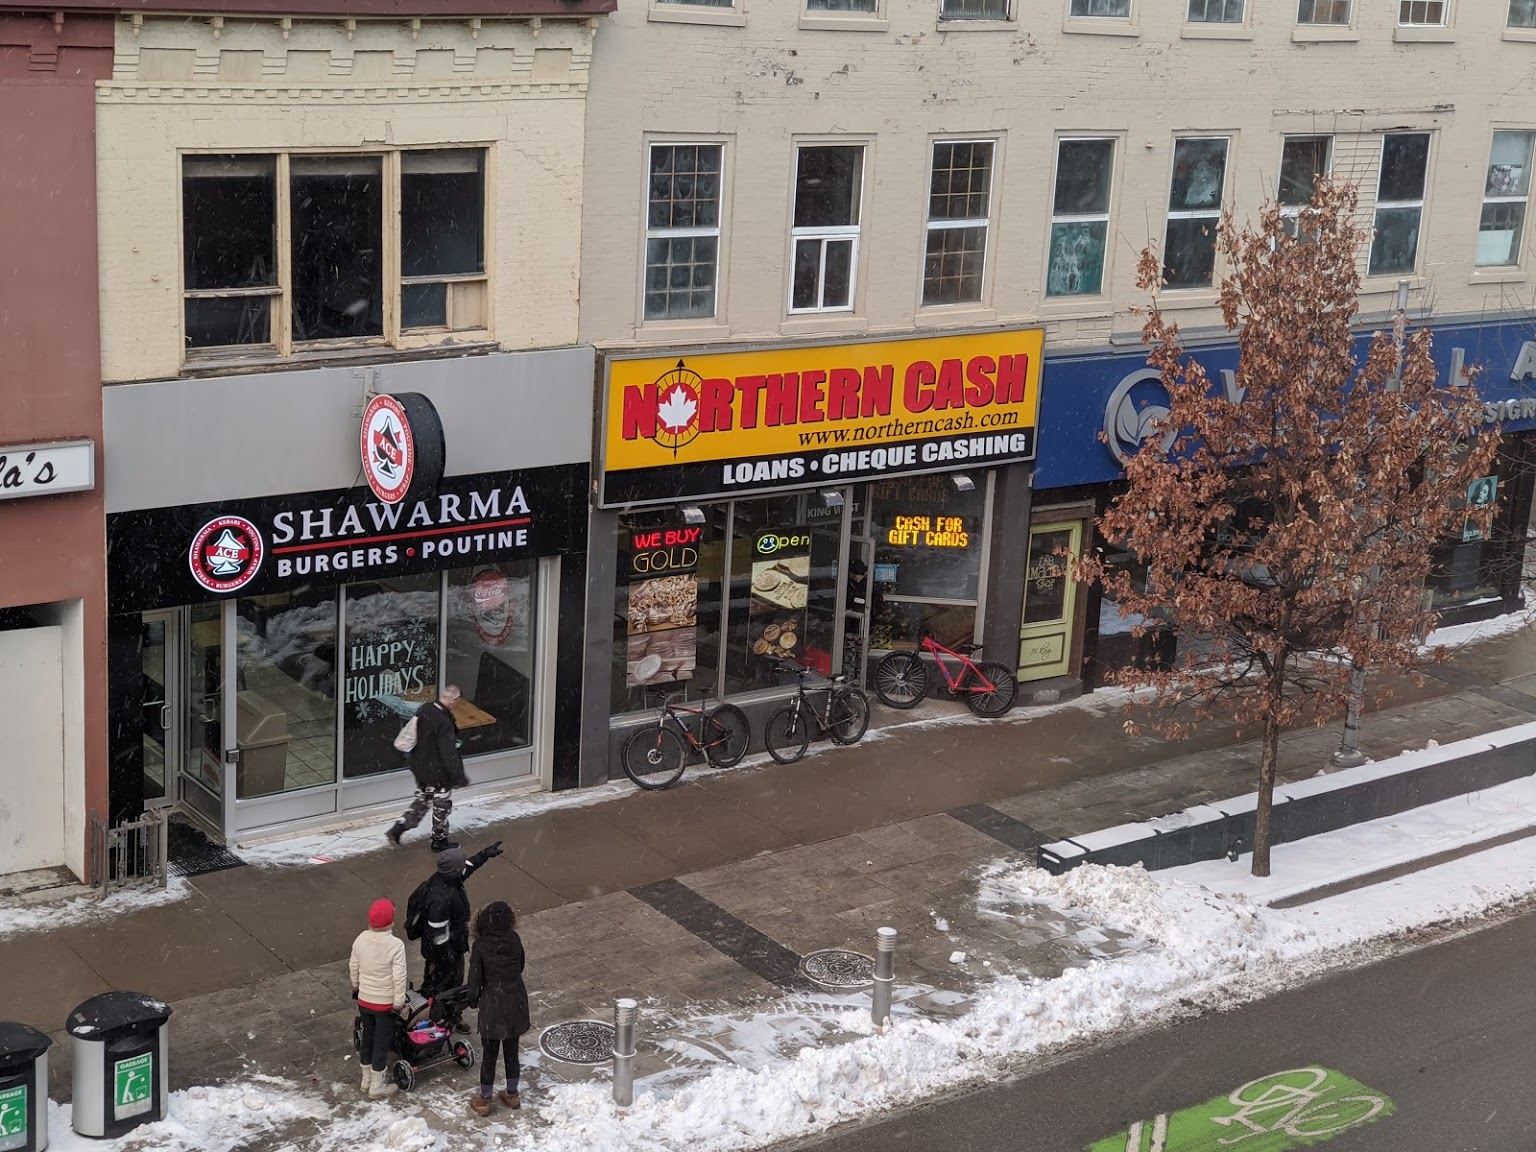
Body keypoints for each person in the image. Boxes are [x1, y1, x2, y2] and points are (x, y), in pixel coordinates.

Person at [410, 842, 503, 1031]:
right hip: (441, 953)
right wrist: (447, 957)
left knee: (455, 985)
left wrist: (484, 854)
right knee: (437, 986)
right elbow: (438, 934)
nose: (463, 868)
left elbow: (467, 867)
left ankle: (452, 1015)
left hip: (454, 945)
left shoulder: (448, 878)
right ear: (453, 871)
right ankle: (433, 1018)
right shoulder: (440, 897)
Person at [465, 900, 530, 1117]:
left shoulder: (481, 945)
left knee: (490, 1054)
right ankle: (512, 1094)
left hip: (492, 1004)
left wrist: (473, 999)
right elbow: (520, 964)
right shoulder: (514, 939)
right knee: (512, 1051)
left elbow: (475, 977)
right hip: (515, 1001)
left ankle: (484, 1100)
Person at [387, 684, 469, 851]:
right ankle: (439, 840)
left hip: (421, 766)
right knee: (442, 805)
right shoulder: (444, 722)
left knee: (424, 798)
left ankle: (399, 828)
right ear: (453, 701)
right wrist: (459, 776)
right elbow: (449, 752)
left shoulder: (425, 709)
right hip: (438, 771)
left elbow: (410, 734)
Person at [349, 897, 407, 1100]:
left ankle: (365, 1080)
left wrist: (356, 987)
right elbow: (399, 978)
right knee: (381, 1044)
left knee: (368, 1038)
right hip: (384, 1004)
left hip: (365, 1001)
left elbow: (353, 966)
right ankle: (377, 1085)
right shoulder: (396, 945)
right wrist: (398, 1003)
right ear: (390, 922)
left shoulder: (360, 939)